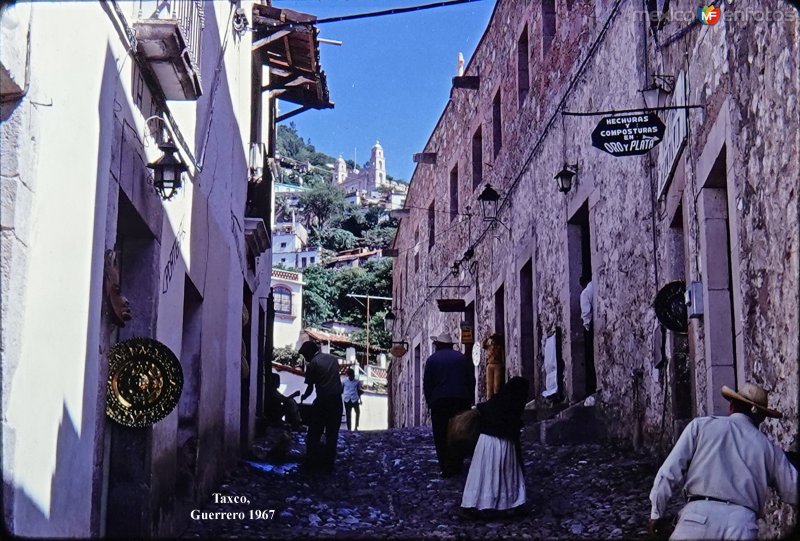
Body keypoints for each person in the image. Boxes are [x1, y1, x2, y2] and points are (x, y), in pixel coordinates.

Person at [648, 382, 798, 540]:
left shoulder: (700, 426)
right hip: (742, 525)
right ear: (761, 417)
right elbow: (792, 490)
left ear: (731, 406)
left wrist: (656, 514)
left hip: (696, 518)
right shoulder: (769, 449)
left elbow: (668, 473)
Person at [461, 376, 529, 514]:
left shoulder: (494, 403)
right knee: (503, 475)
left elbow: (482, 411)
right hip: (503, 445)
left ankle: (476, 502)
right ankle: (505, 503)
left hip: (485, 443)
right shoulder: (512, 408)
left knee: (483, 475)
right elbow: (512, 430)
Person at [423, 332, 476, 478]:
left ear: (438, 345)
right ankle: (457, 463)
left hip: (439, 401)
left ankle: (445, 467)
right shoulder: (462, 358)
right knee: (458, 431)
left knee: (440, 434)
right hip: (460, 399)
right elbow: (471, 379)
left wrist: (430, 402)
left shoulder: (432, 360)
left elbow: (428, 384)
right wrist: (469, 398)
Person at [299, 341, 343, 473]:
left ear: (309, 352)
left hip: (323, 401)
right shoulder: (333, 359)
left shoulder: (313, 364)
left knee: (315, 432)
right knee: (332, 433)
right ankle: (329, 462)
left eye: (305, 355)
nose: (305, 358)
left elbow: (310, 387)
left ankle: (312, 461)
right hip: (337, 400)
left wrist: (303, 397)